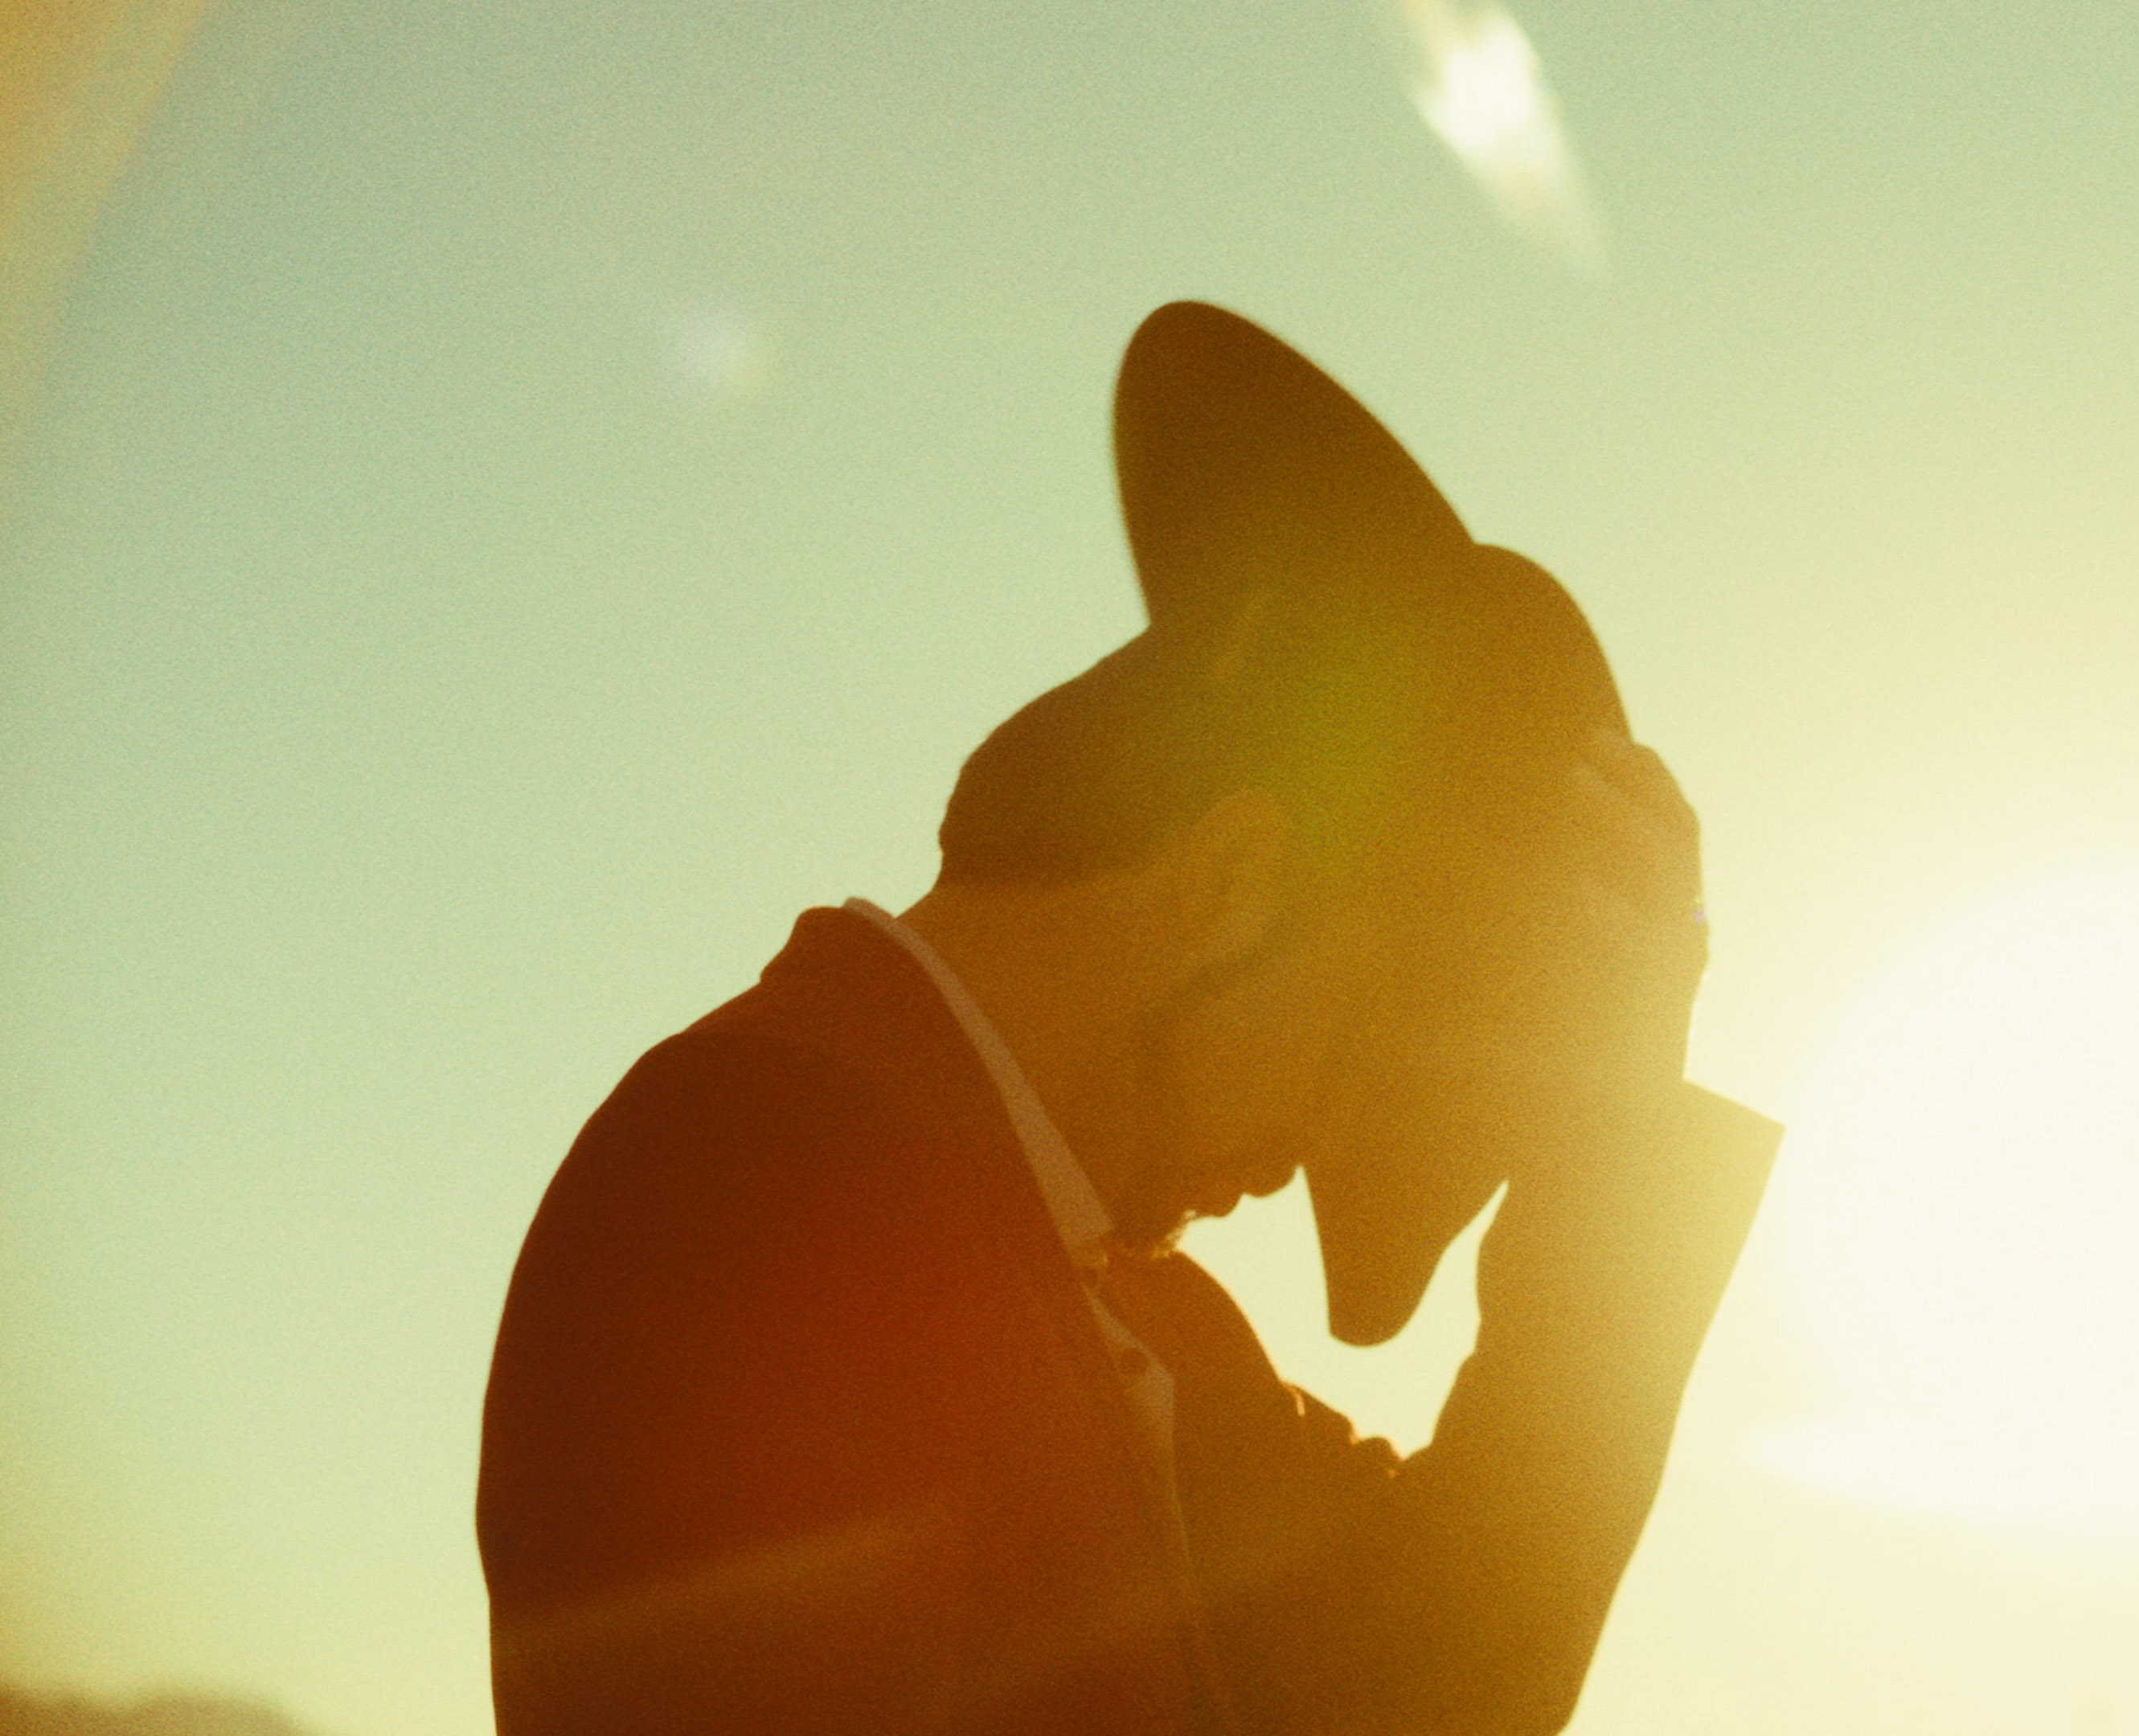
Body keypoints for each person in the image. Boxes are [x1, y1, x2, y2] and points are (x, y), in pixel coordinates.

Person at [474, 301, 1782, 1735]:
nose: (1301, 1164)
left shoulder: (1167, 1329)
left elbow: (1445, 1684)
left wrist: (1624, 1140)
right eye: (1356, 1065)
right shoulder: (750, 1177)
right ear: (1230, 881)